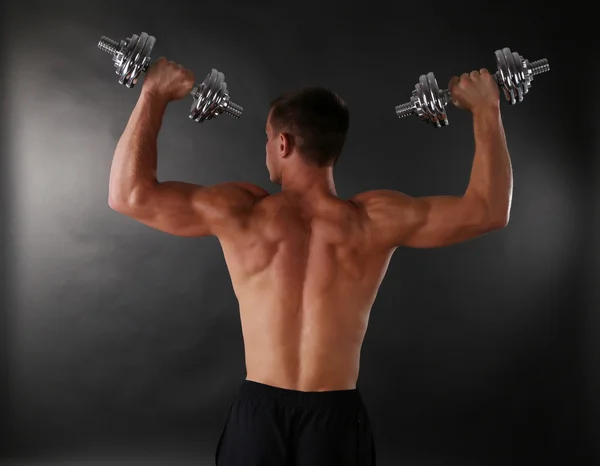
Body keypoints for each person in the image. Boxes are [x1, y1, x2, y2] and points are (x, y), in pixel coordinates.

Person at [108, 57, 512, 465]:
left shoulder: (241, 212)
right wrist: (485, 110)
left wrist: (153, 94)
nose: (266, 147)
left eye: (267, 137)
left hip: (259, 415)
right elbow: (489, 210)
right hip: (335, 420)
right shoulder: (374, 220)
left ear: (283, 143)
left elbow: (128, 195)